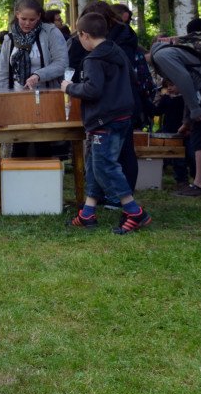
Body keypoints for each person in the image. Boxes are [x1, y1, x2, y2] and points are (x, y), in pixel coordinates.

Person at [63, 13, 151, 233]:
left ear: (83, 35)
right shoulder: (117, 51)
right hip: (122, 117)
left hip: (104, 120)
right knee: (94, 165)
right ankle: (88, 213)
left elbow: (92, 90)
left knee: (105, 167)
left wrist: (69, 87)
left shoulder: (93, 59)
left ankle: (134, 211)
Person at [149, 18, 201, 196]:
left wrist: (195, 111)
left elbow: (184, 81)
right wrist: (188, 120)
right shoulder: (188, 48)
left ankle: (200, 184)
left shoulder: (161, 56)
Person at [0, 0, 69, 92]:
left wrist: (38, 75)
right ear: (17, 14)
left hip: (47, 95)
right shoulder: (9, 39)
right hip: (16, 96)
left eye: (32, 19)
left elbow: (62, 63)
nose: (27, 23)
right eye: (23, 19)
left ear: (39, 16)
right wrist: (2, 99)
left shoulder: (51, 33)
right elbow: (3, 74)